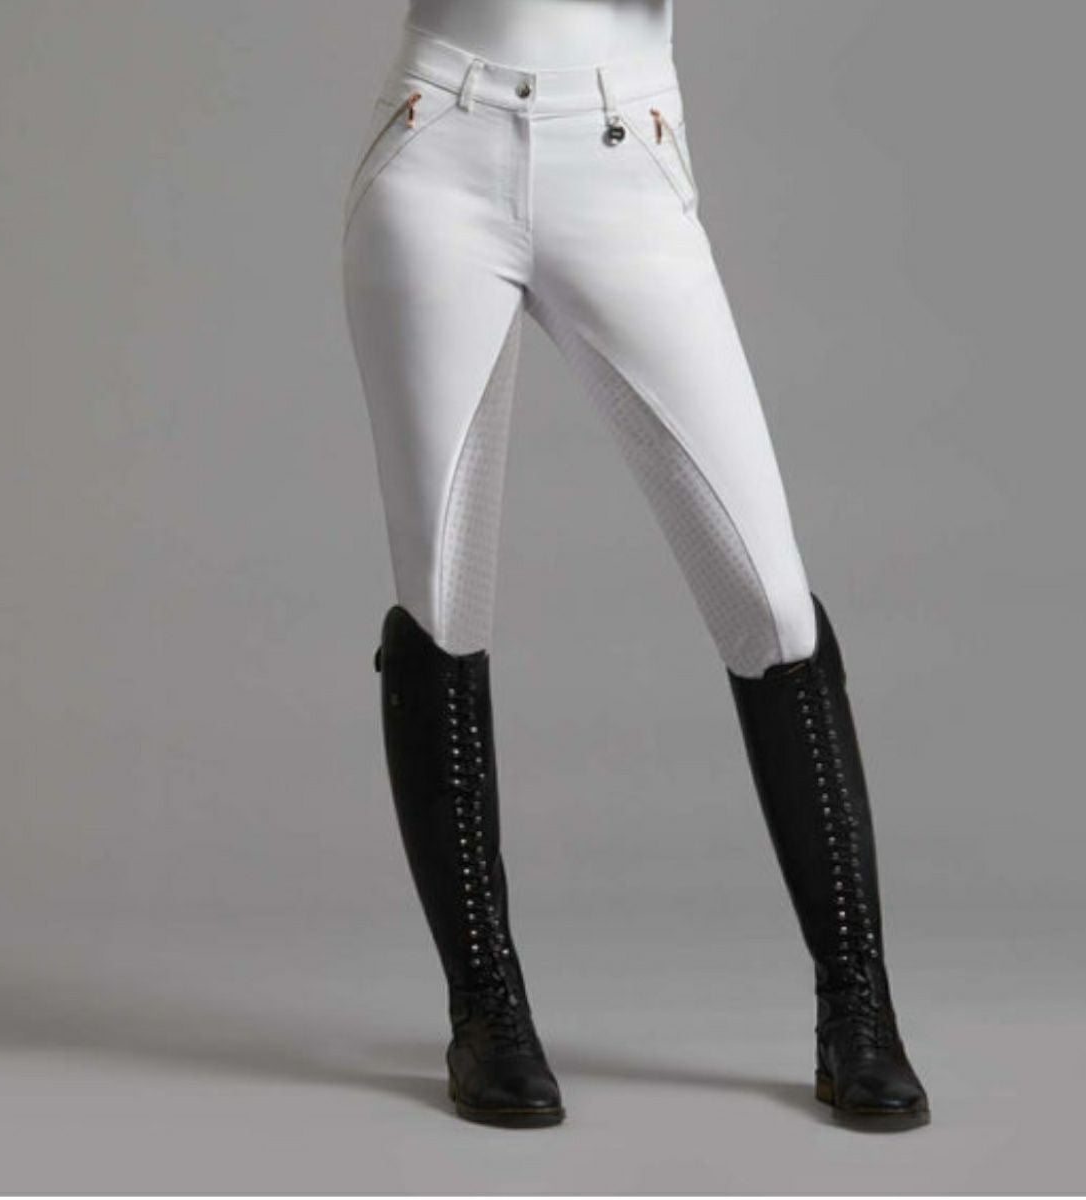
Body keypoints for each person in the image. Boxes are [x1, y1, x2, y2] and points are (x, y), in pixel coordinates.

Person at [340, 0, 931, 1128]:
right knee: (442, 596)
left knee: (769, 605)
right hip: (438, 138)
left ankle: (859, 1011)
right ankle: (486, 1013)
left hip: (621, 148)